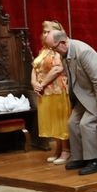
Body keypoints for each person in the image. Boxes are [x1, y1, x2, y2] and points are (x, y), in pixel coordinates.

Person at [44, 30, 97, 175]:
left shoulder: (83, 52)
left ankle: (95, 160)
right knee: (72, 123)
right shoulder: (65, 52)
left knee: (86, 123)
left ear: (62, 42)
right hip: (86, 95)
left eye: (54, 48)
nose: (53, 52)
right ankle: (79, 157)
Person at [32, 20, 71, 165]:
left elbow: (57, 69)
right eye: (44, 31)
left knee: (61, 120)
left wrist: (41, 84)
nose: (45, 34)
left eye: (48, 31)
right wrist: (34, 83)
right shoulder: (43, 50)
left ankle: (66, 150)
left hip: (57, 89)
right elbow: (34, 67)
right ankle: (58, 149)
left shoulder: (58, 48)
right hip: (45, 90)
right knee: (52, 121)